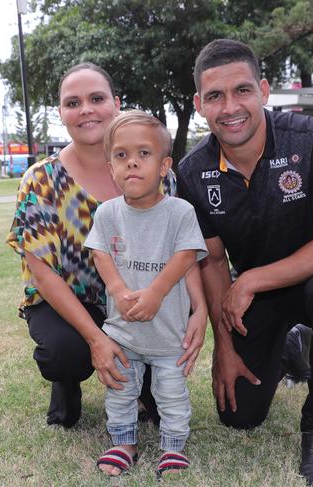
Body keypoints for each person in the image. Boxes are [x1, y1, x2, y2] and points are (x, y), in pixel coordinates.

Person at [176, 39, 313, 486]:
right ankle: (288, 346)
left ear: (263, 89)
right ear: (200, 104)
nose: (231, 107)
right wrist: (225, 347)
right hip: (253, 297)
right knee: (236, 414)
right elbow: (213, 263)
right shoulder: (192, 172)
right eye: (216, 96)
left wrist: (255, 278)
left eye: (242, 90)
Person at [6, 63, 206, 429]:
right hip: (72, 301)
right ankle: (68, 381)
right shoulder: (41, 180)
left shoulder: (159, 175)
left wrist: (199, 309)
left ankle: (143, 380)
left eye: (96, 99)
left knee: (157, 406)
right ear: (62, 113)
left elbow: (184, 248)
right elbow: (42, 273)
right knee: (65, 352)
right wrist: (96, 340)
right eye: (73, 102)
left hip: (143, 301)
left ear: (115, 104)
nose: (85, 109)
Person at [85, 111, 208, 478]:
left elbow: (187, 256)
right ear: (111, 167)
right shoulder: (107, 213)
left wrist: (156, 291)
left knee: (172, 395)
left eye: (144, 153)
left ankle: (173, 447)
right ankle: (123, 442)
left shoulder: (179, 212)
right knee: (120, 391)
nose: (132, 162)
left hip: (168, 334)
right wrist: (118, 289)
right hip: (123, 332)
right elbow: (100, 252)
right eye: (121, 156)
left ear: (164, 165)